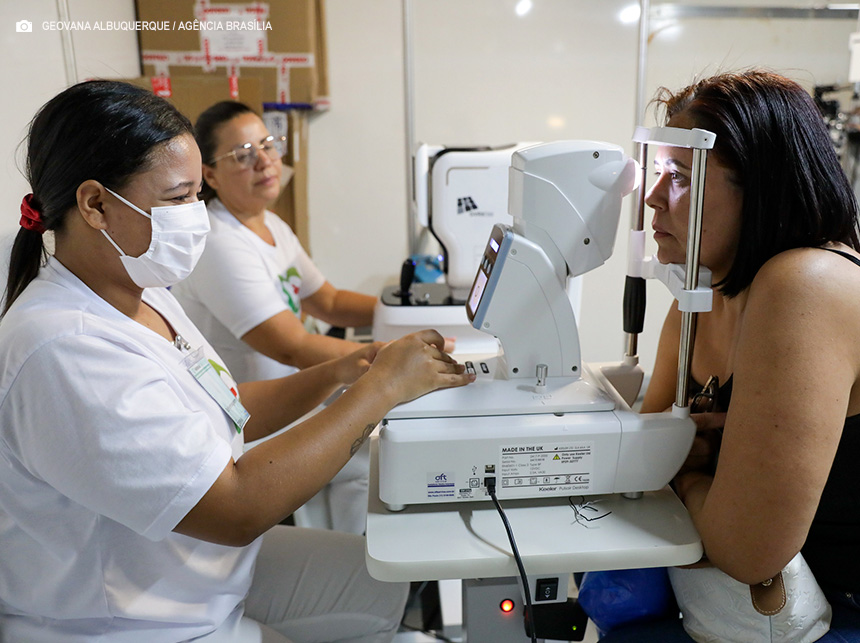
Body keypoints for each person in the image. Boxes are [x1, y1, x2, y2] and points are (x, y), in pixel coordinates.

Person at [0, 79, 474, 642]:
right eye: (177, 198)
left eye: (196, 195)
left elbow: (224, 406)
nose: (197, 215)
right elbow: (235, 508)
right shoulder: (65, 348)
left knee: (383, 579)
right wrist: (380, 392)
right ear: (96, 204)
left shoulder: (142, 292)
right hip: (136, 622)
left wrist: (342, 373)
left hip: (193, 568)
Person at [599, 70, 860, 642]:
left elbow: (747, 551)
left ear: (761, 188)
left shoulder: (808, 285)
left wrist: (687, 472)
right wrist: (672, 466)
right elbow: (643, 469)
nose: (652, 197)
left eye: (681, 176)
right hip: (764, 598)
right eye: (657, 172)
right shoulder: (702, 295)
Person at [171, 101, 379, 534]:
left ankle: (350, 553)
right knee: (374, 453)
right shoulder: (219, 242)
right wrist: (387, 359)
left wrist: (408, 310)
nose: (264, 161)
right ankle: (351, 559)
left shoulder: (270, 225)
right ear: (210, 175)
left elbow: (329, 301)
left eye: (267, 145)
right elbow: (293, 347)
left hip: (293, 402)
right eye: (243, 154)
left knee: (372, 446)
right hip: (254, 426)